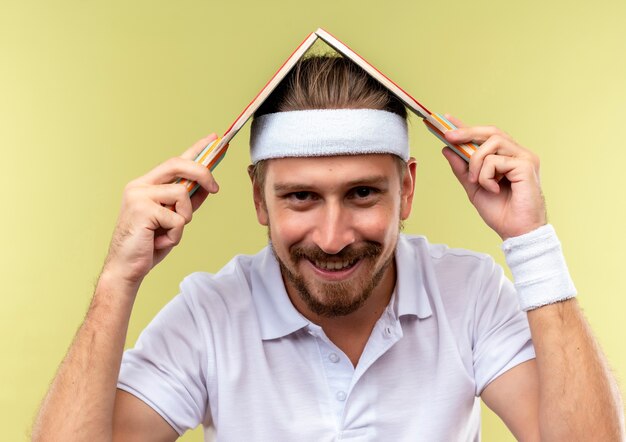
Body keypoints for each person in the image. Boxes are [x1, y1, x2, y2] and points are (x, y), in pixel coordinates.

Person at [33, 56, 624, 441]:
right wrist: (117, 281)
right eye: (301, 198)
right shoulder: (210, 315)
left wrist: (531, 242)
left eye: (363, 193)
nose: (333, 237)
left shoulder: (468, 294)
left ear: (408, 189)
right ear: (260, 201)